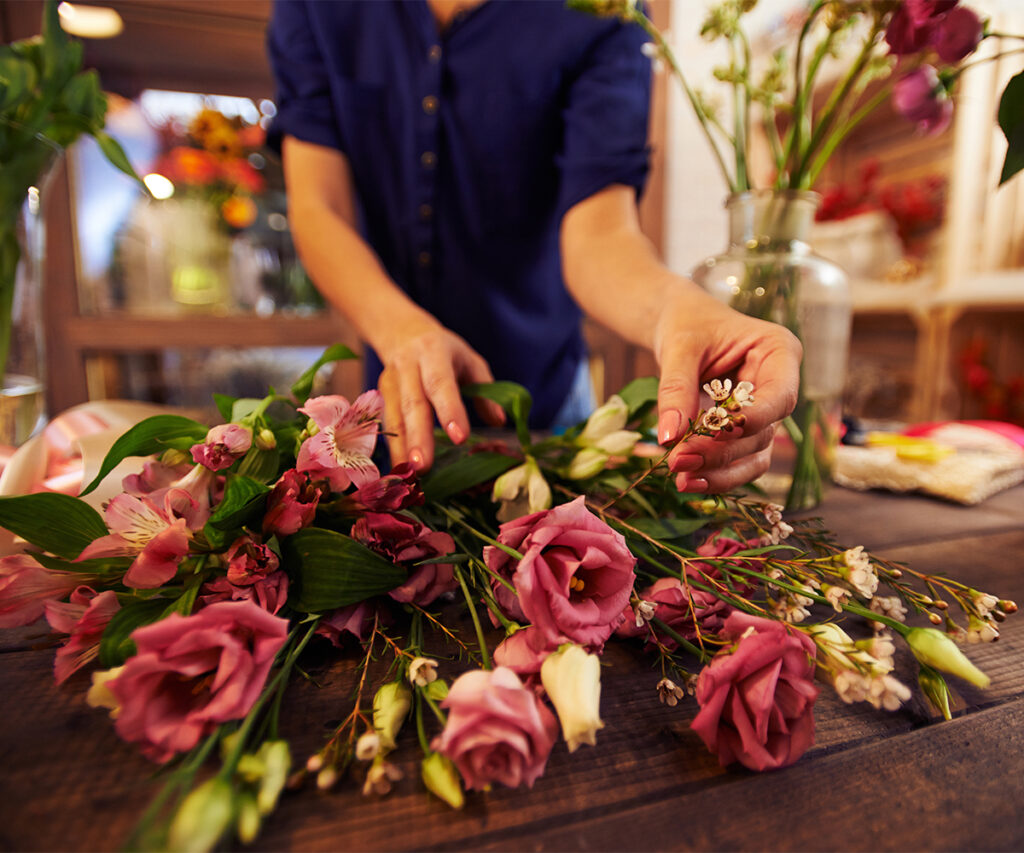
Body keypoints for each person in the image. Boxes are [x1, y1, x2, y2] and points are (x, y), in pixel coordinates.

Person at [266, 0, 801, 494]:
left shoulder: (603, 8)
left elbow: (600, 234)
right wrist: (404, 331)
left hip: (549, 409)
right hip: (395, 409)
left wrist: (679, 311)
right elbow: (319, 208)